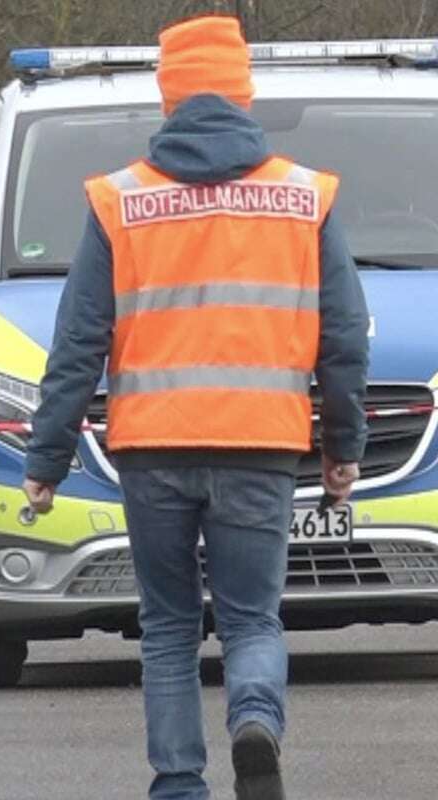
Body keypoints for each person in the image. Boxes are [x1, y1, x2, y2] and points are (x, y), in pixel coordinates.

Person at [21, 15, 370, 800]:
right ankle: (254, 718)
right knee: (253, 621)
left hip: (153, 452)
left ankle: (180, 785)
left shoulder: (121, 201)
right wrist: (341, 446)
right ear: (243, 93)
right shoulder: (303, 196)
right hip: (260, 449)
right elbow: (344, 339)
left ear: (168, 96)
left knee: (171, 631)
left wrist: (45, 459)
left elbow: (79, 340)